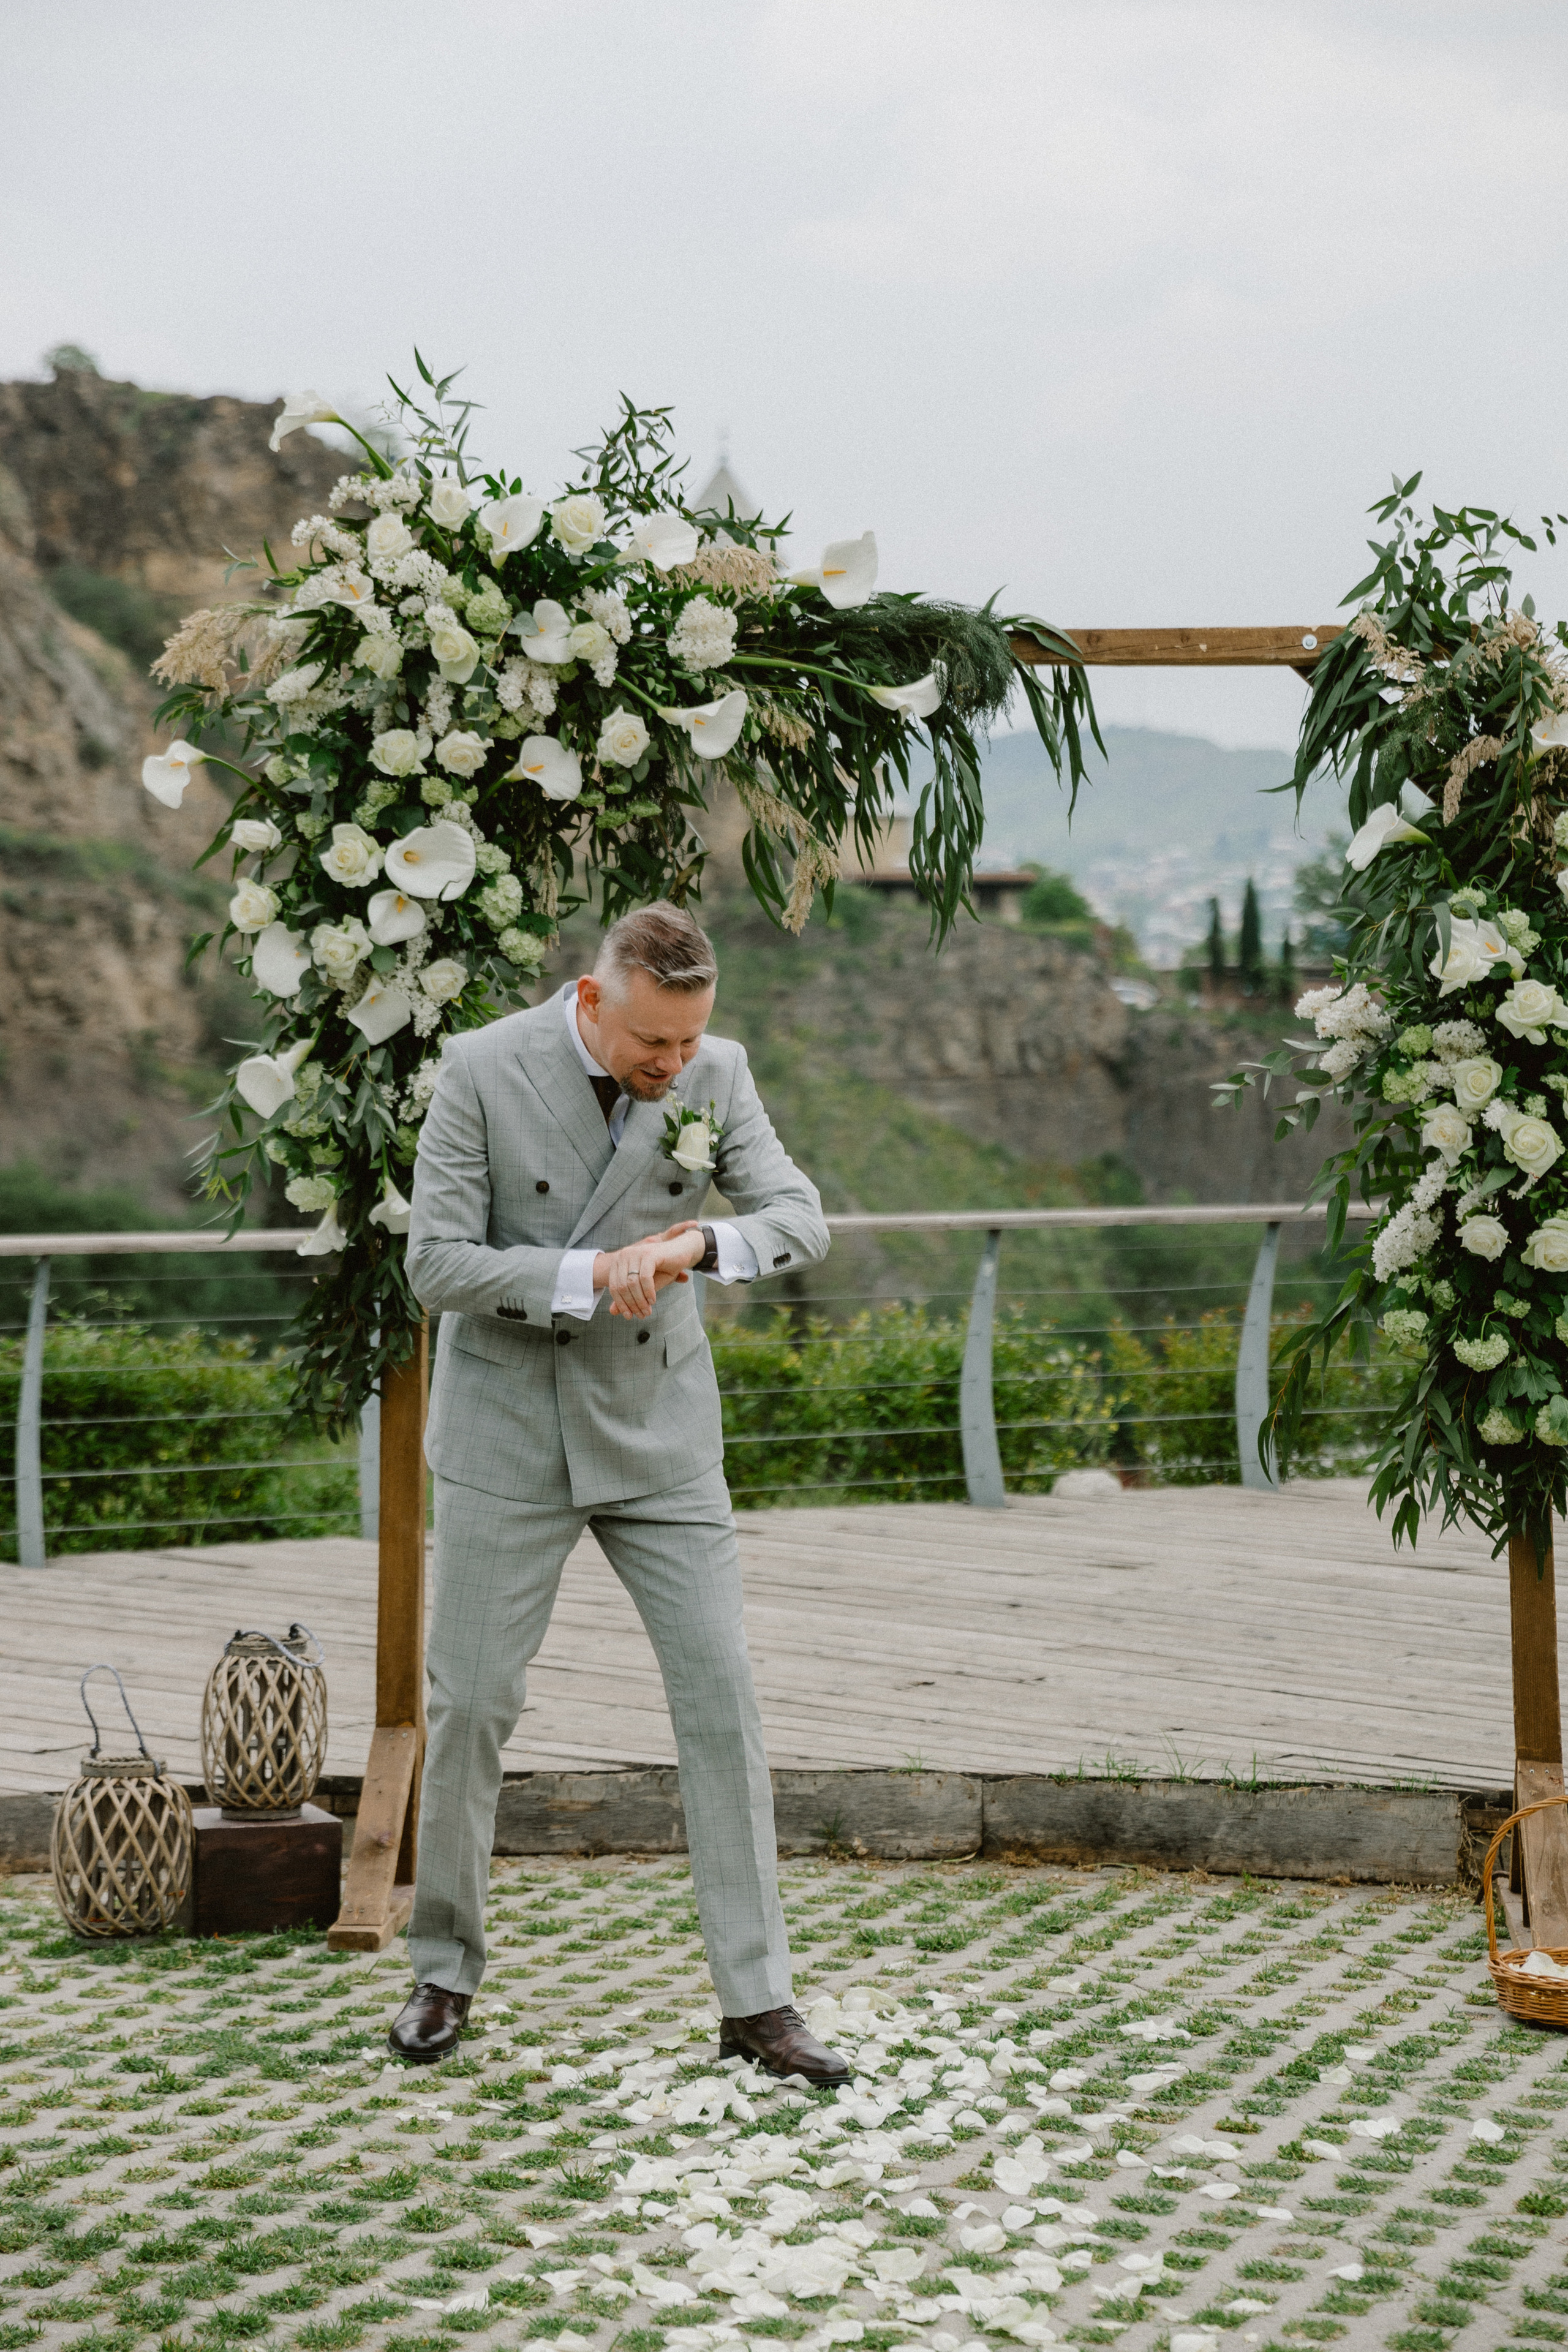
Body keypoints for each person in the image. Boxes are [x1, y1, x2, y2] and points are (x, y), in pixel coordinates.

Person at [393, 900, 848, 2081]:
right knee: (473, 1707)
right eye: (654, 1045)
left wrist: (696, 1246)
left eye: (689, 1043)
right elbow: (435, 1263)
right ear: (592, 1003)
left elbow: (802, 1220)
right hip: (508, 1435)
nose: (673, 1065)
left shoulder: (719, 1070)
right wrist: (587, 1271)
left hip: (661, 1434)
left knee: (723, 1701)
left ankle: (758, 2003)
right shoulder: (477, 1070)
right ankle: (441, 1968)